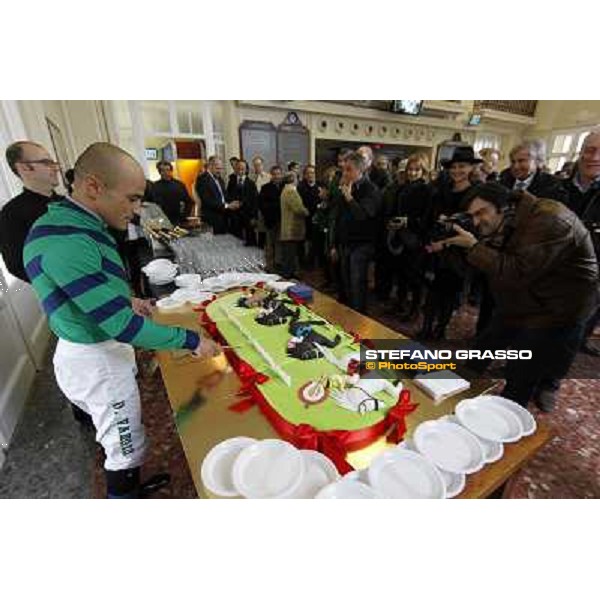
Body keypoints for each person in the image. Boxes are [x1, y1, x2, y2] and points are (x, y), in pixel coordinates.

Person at [23, 142, 220, 498]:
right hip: (96, 358)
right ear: (94, 186)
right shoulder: (68, 240)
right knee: (124, 443)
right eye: (131, 199)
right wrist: (192, 340)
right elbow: (122, 328)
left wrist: (126, 300)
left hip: (90, 349)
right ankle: (124, 495)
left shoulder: (67, 223)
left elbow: (79, 287)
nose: (135, 210)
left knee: (116, 433)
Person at [440, 182, 598, 411]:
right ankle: (454, 390)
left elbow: (517, 271)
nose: (475, 221)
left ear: (503, 207)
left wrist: (474, 247)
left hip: (557, 308)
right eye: (471, 215)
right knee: (484, 346)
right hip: (521, 299)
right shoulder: (508, 218)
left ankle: (509, 415)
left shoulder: (549, 220)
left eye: (481, 213)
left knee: (523, 369)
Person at [419, 145, 481, 340]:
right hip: (435, 251)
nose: (457, 170)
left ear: (471, 168)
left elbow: (474, 228)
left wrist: (446, 239)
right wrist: (432, 240)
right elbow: (429, 218)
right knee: (431, 294)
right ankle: (427, 327)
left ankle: (440, 329)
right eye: (453, 167)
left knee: (448, 295)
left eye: (462, 166)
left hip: (458, 254)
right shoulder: (441, 191)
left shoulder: (476, 194)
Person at [0, 141, 62, 282]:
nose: (56, 168)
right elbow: (15, 265)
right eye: (46, 162)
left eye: (53, 162)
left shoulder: (67, 203)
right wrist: (56, 284)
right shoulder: (10, 213)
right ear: (24, 168)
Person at [562, 129, 600, 356]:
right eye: (590, 150)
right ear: (581, 152)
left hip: (588, 280)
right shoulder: (557, 189)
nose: (594, 158)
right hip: (549, 275)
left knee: (573, 335)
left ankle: (550, 383)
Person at [332, 151, 382, 313]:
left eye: (349, 169)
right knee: (345, 281)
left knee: (357, 282)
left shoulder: (371, 189)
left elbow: (362, 215)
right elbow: (338, 219)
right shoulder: (345, 187)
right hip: (346, 242)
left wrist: (349, 198)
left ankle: (359, 316)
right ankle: (348, 314)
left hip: (362, 244)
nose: (345, 173)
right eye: (344, 169)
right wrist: (334, 243)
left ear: (360, 171)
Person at [387, 153, 433, 320]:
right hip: (401, 237)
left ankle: (414, 310)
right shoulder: (404, 186)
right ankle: (400, 304)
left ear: (423, 171)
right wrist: (394, 221)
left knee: (415, 278)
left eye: (416, 170)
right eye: (410, 170)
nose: (412, 173)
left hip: (416, 240)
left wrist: (408, 221)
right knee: (401, 275)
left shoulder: (427, 190)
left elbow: (427, 218)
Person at [500, 140, 568, 203]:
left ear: (536, 162)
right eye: (513, 161)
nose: (516, 166)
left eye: (521, 161)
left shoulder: (552, 186)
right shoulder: (503, 179)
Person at [195, 156, 240, 234]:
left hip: (223, 218)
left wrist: (233, 202)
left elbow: (224, 196)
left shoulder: (220, 179)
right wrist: (227, 206)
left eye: (221, 168)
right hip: (211, 220)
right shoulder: (202, 179)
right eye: (218, 168)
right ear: (210, 166)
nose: (220, 171)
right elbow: (207, 201)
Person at [279, 172, 309, 278]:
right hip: (291, 228)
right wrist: (307, 211)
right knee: (290, 256)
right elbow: (298, 208)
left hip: (288, 228)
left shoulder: (285, 190)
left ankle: (289, 274)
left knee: (289, 255)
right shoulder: (291, 191)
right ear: (293, 179)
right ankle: (289, 276)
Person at [257, 165, 284, 272]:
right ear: (271, 175)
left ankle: (280, 264)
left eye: (279, 174)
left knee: (281, 244)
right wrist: (277, 205)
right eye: (275, 174)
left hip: (283, 221)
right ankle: (270, 267)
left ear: (281, 175)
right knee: (270, 245)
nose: (277, 176)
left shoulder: (285, 187)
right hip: (270, 221)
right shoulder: (265, 188)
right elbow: (262, 205)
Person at [151, 160, 195, 226]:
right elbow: (152, 205)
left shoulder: (179, 184)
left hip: (179, 220)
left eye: (168, 170)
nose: (166, 172)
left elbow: (189, 202)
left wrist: (184, 216)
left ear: (171, 171)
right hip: (162, 221)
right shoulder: (154, 186)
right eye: (163, 170)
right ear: (159, 172)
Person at [226, 159, 258, 245]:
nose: (240, 171)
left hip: (248, 216)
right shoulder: (231, 182)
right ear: (235, 169)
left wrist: (254, 217)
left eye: (243, 168)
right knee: (236, 241)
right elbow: (227, 197)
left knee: (250, 241)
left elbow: (255, 201)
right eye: (238, 168)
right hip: (234, 216)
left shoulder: (251, 184)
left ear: (246, 170)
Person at [297, 164, 321, 267]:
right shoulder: (300, 187)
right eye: (308, 173)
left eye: (312, 173)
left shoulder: (320, 186)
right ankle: (303, 263)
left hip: (317, 218)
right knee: (302, 242)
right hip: (304, 218)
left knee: (315, 242)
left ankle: (313, 262)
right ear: (305, 175)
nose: (311, 175)